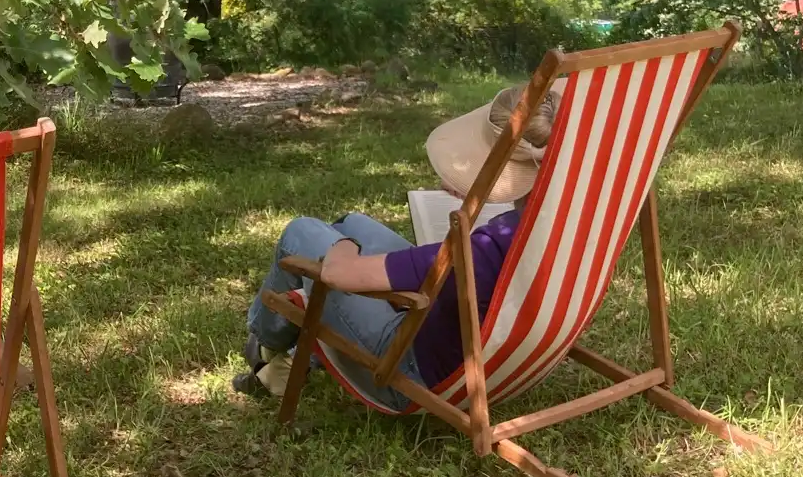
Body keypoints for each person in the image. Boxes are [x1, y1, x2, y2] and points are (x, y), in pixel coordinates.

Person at [236, 81, 563, 405]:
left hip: (411, 371)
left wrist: (342, 246)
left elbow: (338, 274)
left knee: (303, 232)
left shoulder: (484, 250)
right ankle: (294, 358)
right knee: (354, 222)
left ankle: (266, 343)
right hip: (481, 349)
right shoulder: (561, 224)